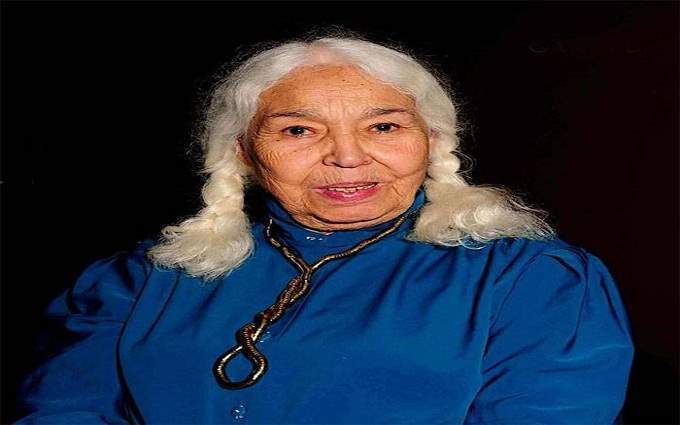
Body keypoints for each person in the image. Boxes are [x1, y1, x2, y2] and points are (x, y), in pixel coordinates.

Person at [16, 35, 634, 424]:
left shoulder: (533, 280)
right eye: (298, 130)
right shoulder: (139, 279)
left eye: (384, 126)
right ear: (244, 153)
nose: (347, 156)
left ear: (432, 141)